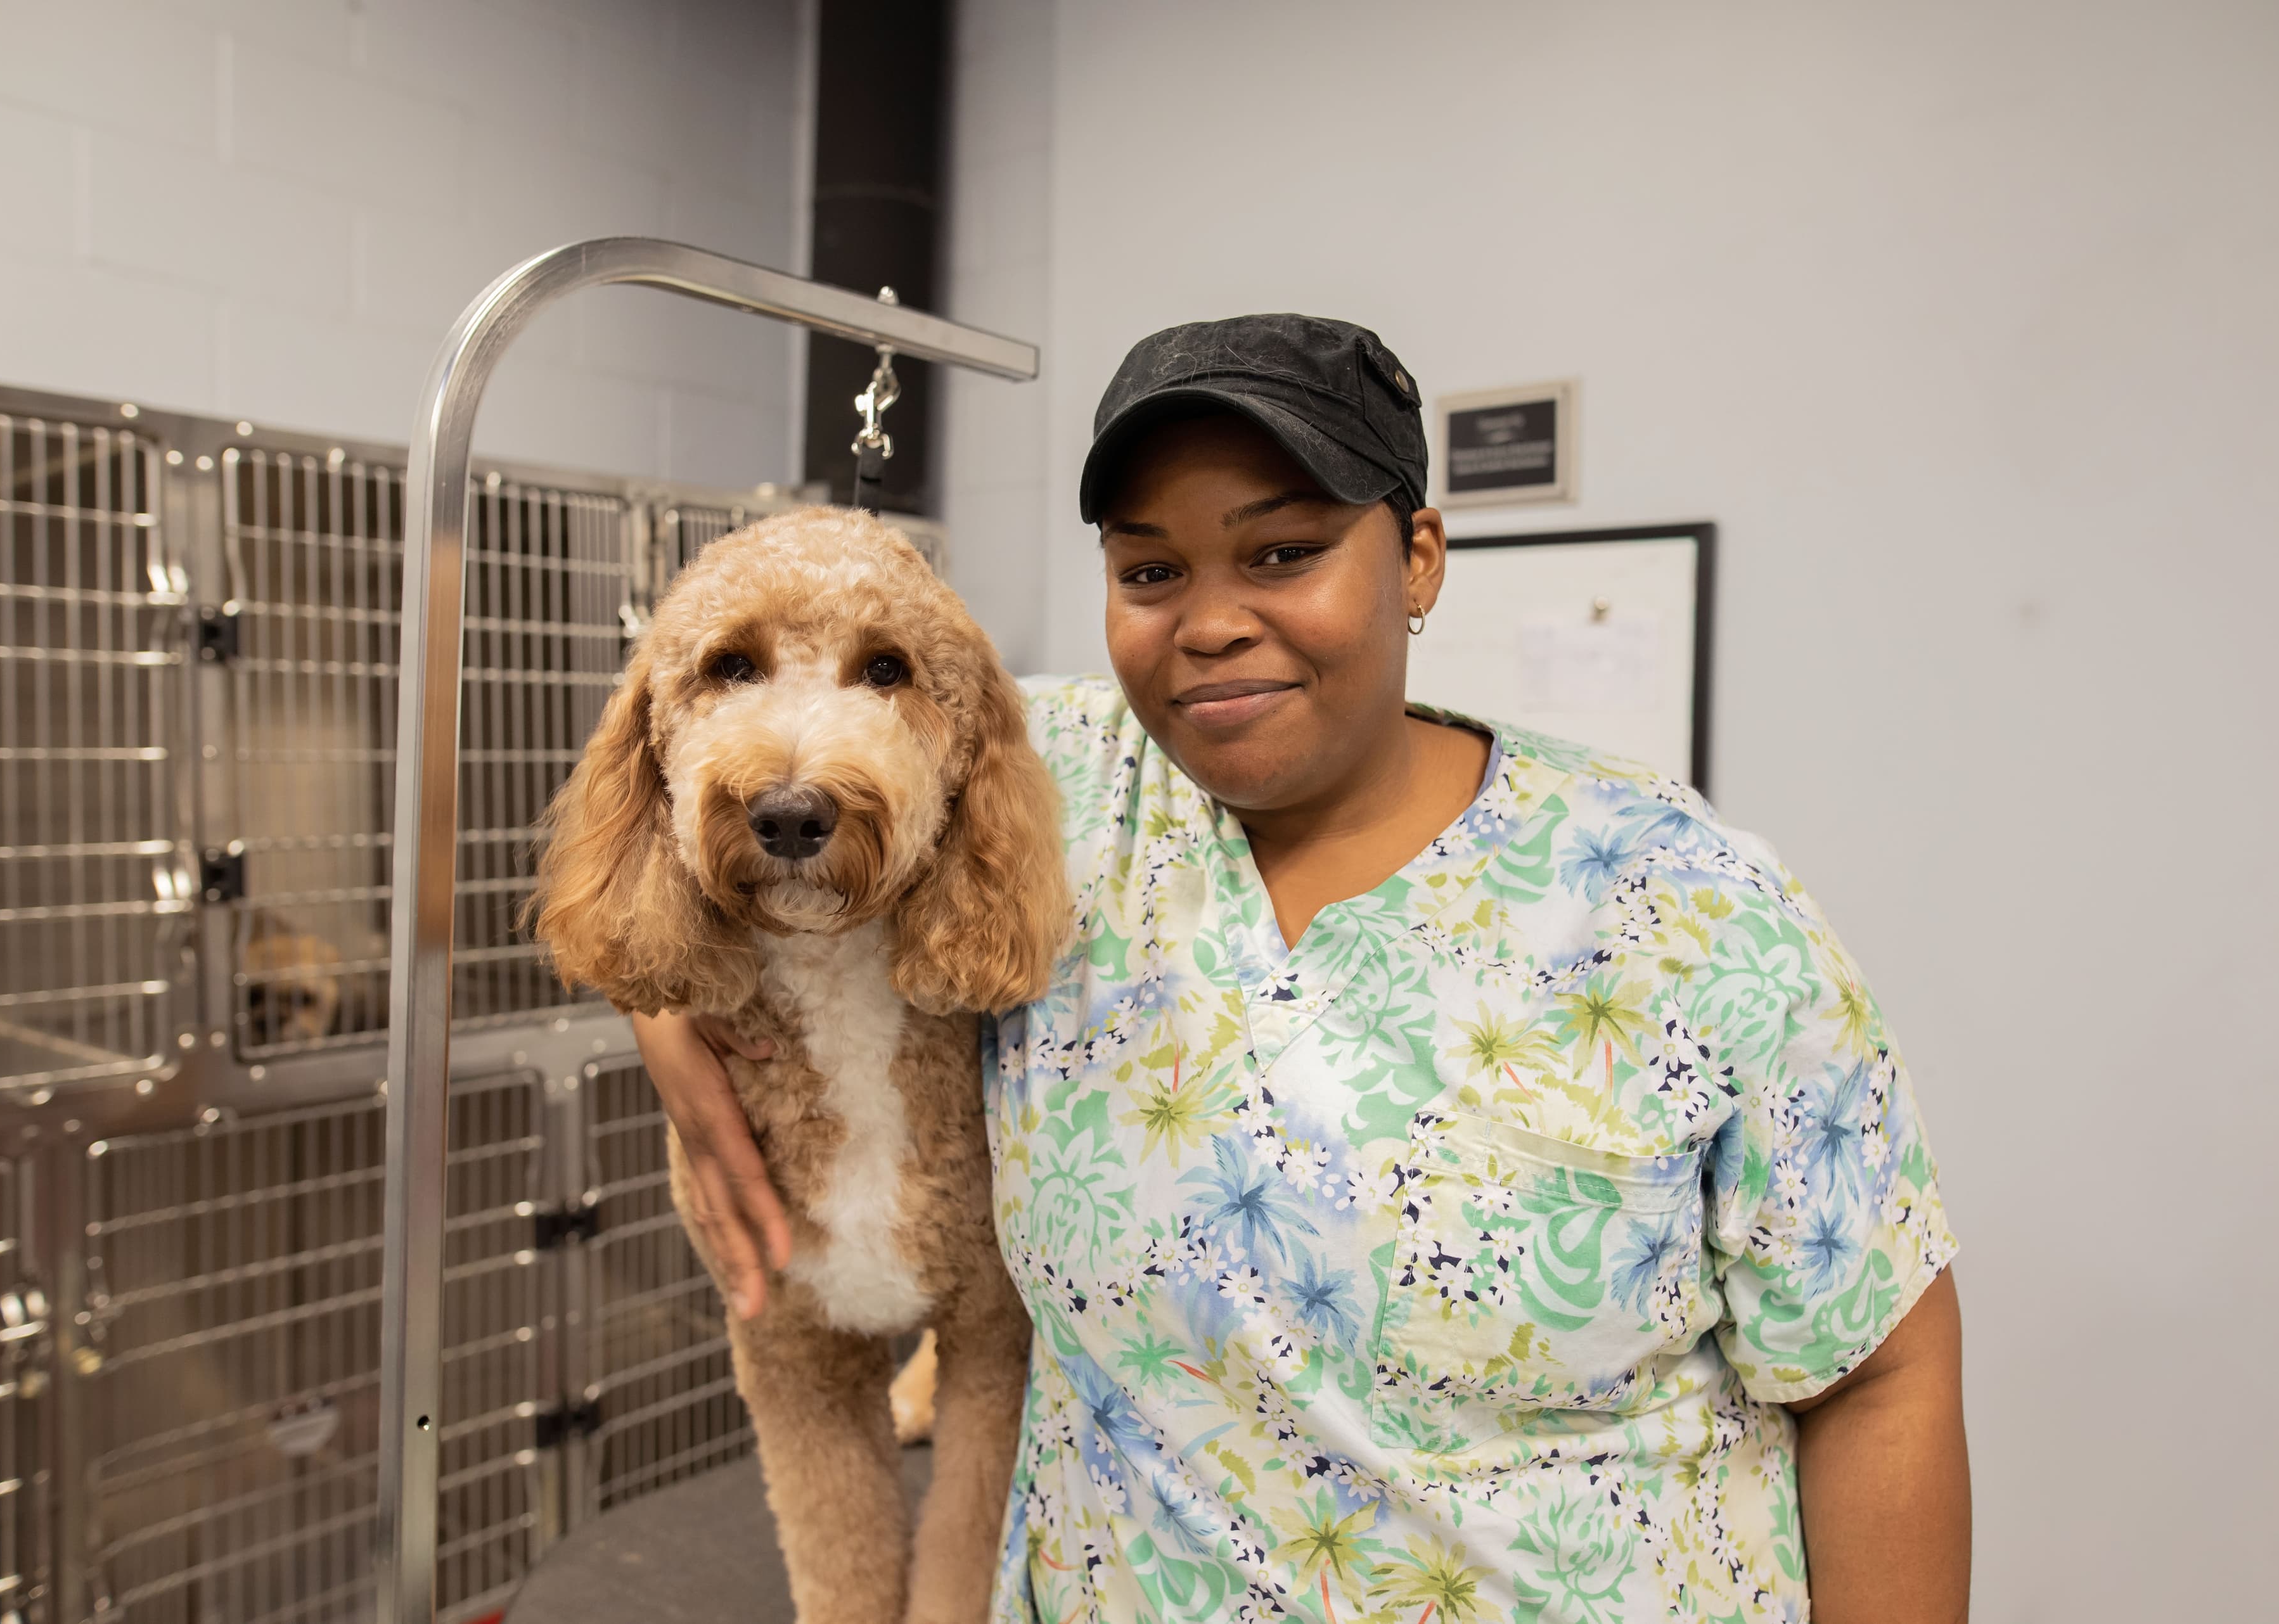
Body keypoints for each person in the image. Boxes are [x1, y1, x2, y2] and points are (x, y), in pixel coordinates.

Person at [634, 315, 1970, 1623]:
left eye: (1284, 552)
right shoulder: (1055, 796)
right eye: (1151, 573)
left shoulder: (1684, 900)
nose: (1211, 623)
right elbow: (722, 779)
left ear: (1421, 558)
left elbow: (1882, 1370)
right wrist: (673, 1033)